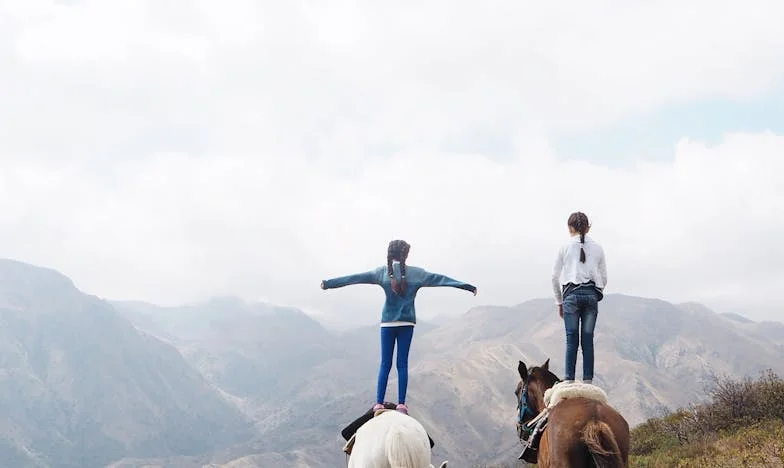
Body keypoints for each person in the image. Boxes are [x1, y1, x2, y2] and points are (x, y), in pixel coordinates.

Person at [321, 239, 477, 414]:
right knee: (402, 364)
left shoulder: (381, 273)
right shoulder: (417, 274)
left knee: (384, 364)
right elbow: (441, 279)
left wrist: (328, 284)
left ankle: (379, 403)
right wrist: (467, 287)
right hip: (407, 324)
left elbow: (354, 278)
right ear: (405, 255)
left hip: (387, 324)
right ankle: (401, 404)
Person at [551, 212, 607, 385]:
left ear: (570, 228)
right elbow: (604, 278)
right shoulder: (598, 248)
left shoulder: (564, 247)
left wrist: (559, 301)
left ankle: (569, 380)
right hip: (591, 296)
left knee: (571, 339)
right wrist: (596, 291)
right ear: (588, 227)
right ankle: (588, 381)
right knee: (588, 339)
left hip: (571, 296)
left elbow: (554, 276)